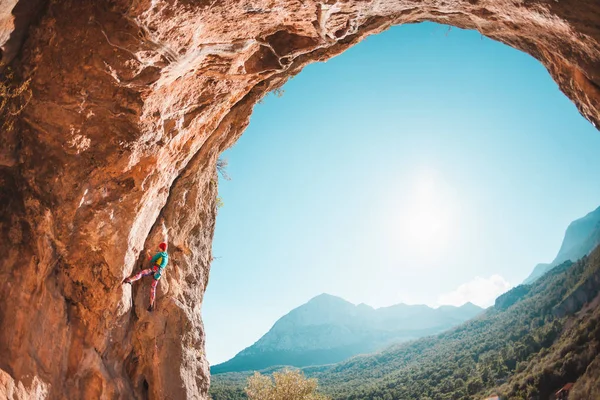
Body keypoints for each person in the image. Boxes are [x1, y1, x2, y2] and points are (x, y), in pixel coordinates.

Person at [123, 242, 169, 311]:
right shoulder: (166, 256)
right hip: (159, 273)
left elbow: (151, 260)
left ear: (161, 248)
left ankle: (130, 280)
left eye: (159, 247)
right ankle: (151, 305)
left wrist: (147, 252)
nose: (158, 248)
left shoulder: (160, 254)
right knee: (153, 288)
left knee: (142, 273)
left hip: (154, 269)